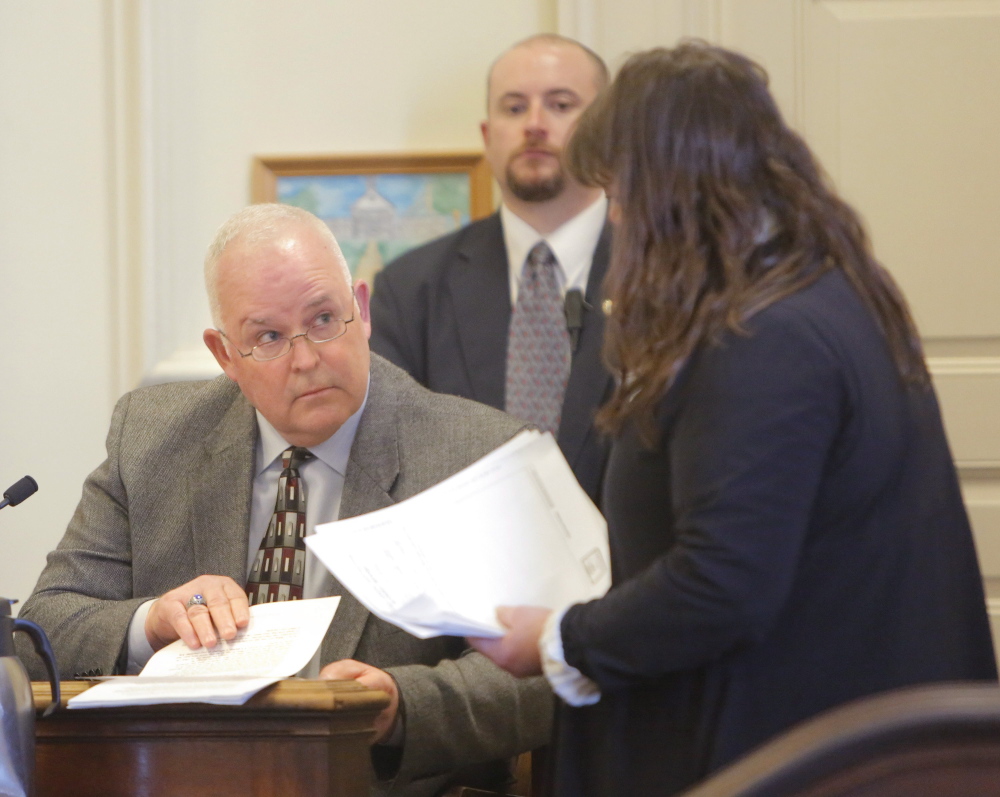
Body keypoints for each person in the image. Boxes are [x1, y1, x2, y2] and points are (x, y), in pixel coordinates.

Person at [470, 42, 998, 796]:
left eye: (620, 191)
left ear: (671, 189)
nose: (615, 216)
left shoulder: (760, 336)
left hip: (805, 752)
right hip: (854, 738)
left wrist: (558, 638)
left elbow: (723, 581)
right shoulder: (822, 289)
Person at [18, 204, 552, 797]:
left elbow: (543, 676)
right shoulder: (151, 439)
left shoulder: (476, 454)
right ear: (225, 356)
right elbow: (40, 630)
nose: (306, 359)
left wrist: (400, 707)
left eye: (325, 319)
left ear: (363, 311)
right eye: (268, 337)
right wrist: (153, 623)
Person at [370, 34, 614, 504]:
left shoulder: (672, 279)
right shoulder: (409, 289)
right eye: (515, 108)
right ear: (487, 136)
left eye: (561, 105)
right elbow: (385, 461)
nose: (535, 125)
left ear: (608, 133)